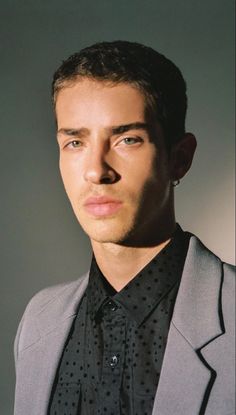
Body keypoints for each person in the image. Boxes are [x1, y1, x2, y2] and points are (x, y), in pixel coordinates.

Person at [14, 41, 235, 415]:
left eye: (127, 139)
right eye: (75, 141)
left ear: (179, 158)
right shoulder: (39, 321)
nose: (97, 171)